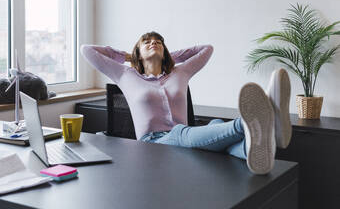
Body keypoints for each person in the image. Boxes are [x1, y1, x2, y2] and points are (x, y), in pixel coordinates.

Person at [81, 31, 292, 175]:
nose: (153, 43)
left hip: (184, 136)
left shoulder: (180, 72)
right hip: (153, 143)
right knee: (183, 133)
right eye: (147, 42)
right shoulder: (125, 75)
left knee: (215, 124)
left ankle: (249, 149)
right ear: (137, 51)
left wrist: (166, 57)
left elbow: (206, 49)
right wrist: (129, 56)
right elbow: (87, 50)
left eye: (158, 41)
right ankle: (259, 120)